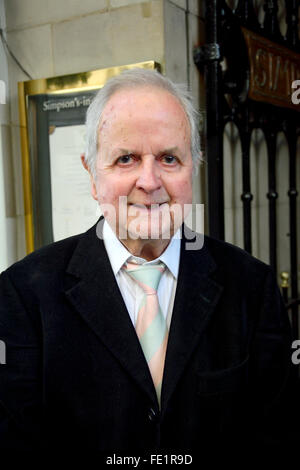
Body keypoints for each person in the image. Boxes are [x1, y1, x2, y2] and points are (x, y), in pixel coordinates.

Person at [0, 68, 293, 456]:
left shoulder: (251, 287)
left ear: (195, 167)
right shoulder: (23, 296)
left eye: (169, 158)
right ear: (92, 174)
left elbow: (277, 437)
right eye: (126, 159)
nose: (150, 181)